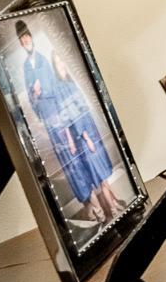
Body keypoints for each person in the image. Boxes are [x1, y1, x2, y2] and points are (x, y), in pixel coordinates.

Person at [15, 20, 123, 223]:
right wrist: (35, 94)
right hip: (49, 121)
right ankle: (93, 206)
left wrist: (42, 91)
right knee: (70, 163)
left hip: (60, 117)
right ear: (20, 43)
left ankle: (107, 201)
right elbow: (32, 99)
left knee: (85, 157)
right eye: (22, 39)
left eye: (27, 37)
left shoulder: (44, 62)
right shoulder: (26, 68)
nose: (26, 41)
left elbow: (52, 90)